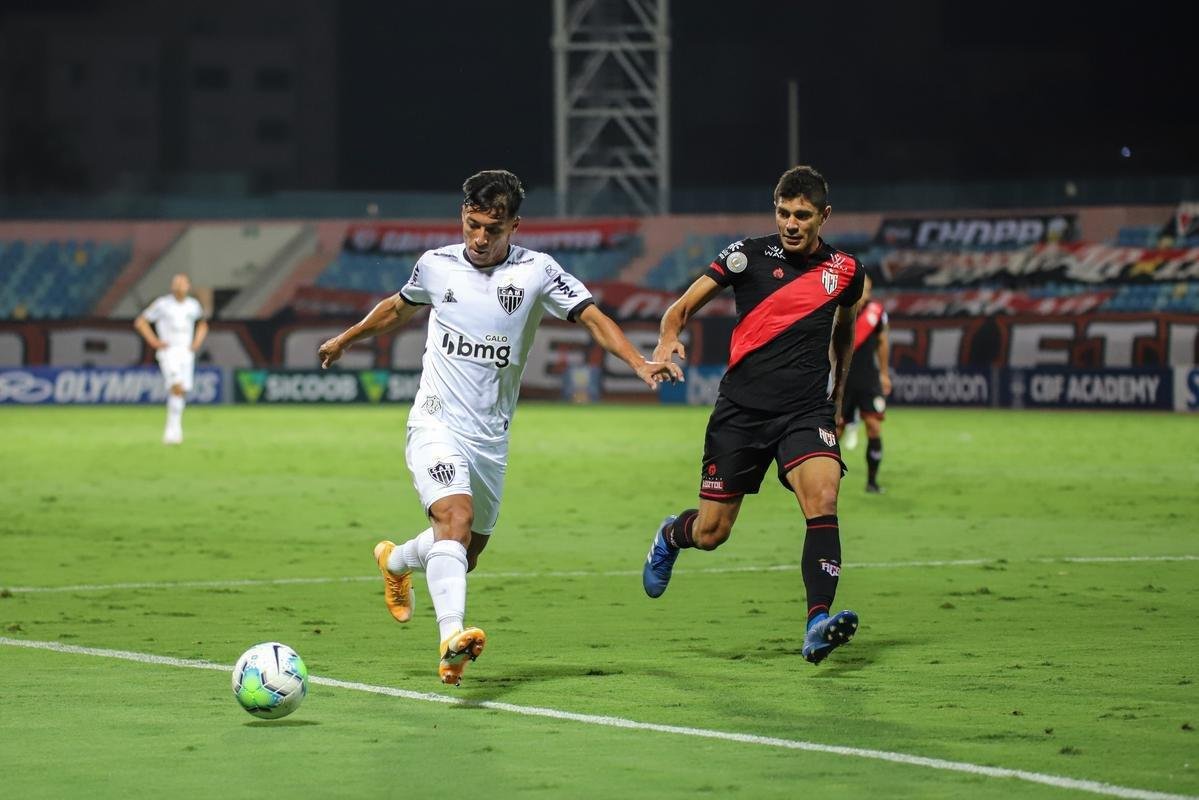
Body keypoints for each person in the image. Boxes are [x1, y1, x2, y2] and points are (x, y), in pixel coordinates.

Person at [318, 169, 682, 686]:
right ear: (462, 218)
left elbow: (592, 318)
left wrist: (639, 362)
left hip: (490, 437)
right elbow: (398, 308)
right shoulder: (436, 265)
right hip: (435, 421)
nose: (480, 238)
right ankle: (451, 639)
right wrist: (346, 339)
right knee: (454, 517)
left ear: (515, 225)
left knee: (464, 551)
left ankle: (396, 561)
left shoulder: (538, 271)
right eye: (473, 225)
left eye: (493, 228)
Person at [642, 165, 865, 665]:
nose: (790, 223)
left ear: (824, 216)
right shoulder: (745, 256)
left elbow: (845, 333)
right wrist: (667, 338)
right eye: (783, 213)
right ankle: (671, 535)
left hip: (806, 411)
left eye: (802, 215)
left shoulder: (846, 271)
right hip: (741, 413)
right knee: (712, 533)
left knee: (824, 497)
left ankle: (817, 623)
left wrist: (839, 397)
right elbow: (680, 309)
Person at [133, 273, 208, 445]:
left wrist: (196, 343)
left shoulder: (193, 305)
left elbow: (203, 324)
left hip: (186, 352)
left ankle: (175, 430)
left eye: (182, 283)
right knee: (176, 386)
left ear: (188, 286)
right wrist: (154, 342)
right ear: (172, 286)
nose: (179, 286)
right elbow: (141, 322)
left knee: (181, 391)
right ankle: (172, 431)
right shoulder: (163, 304)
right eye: (176, 283)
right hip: (169, 351)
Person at [838, 274, 891, 493]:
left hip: (868, 379)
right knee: (835, 431)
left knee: (874, 427)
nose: (866, 294)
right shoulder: (840, 309)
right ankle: (827, 478)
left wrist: (884, 374)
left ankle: (872, 482)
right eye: (863, 289)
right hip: (843, 380)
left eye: (869, 289)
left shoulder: (877, 313)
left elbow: (883, 342)